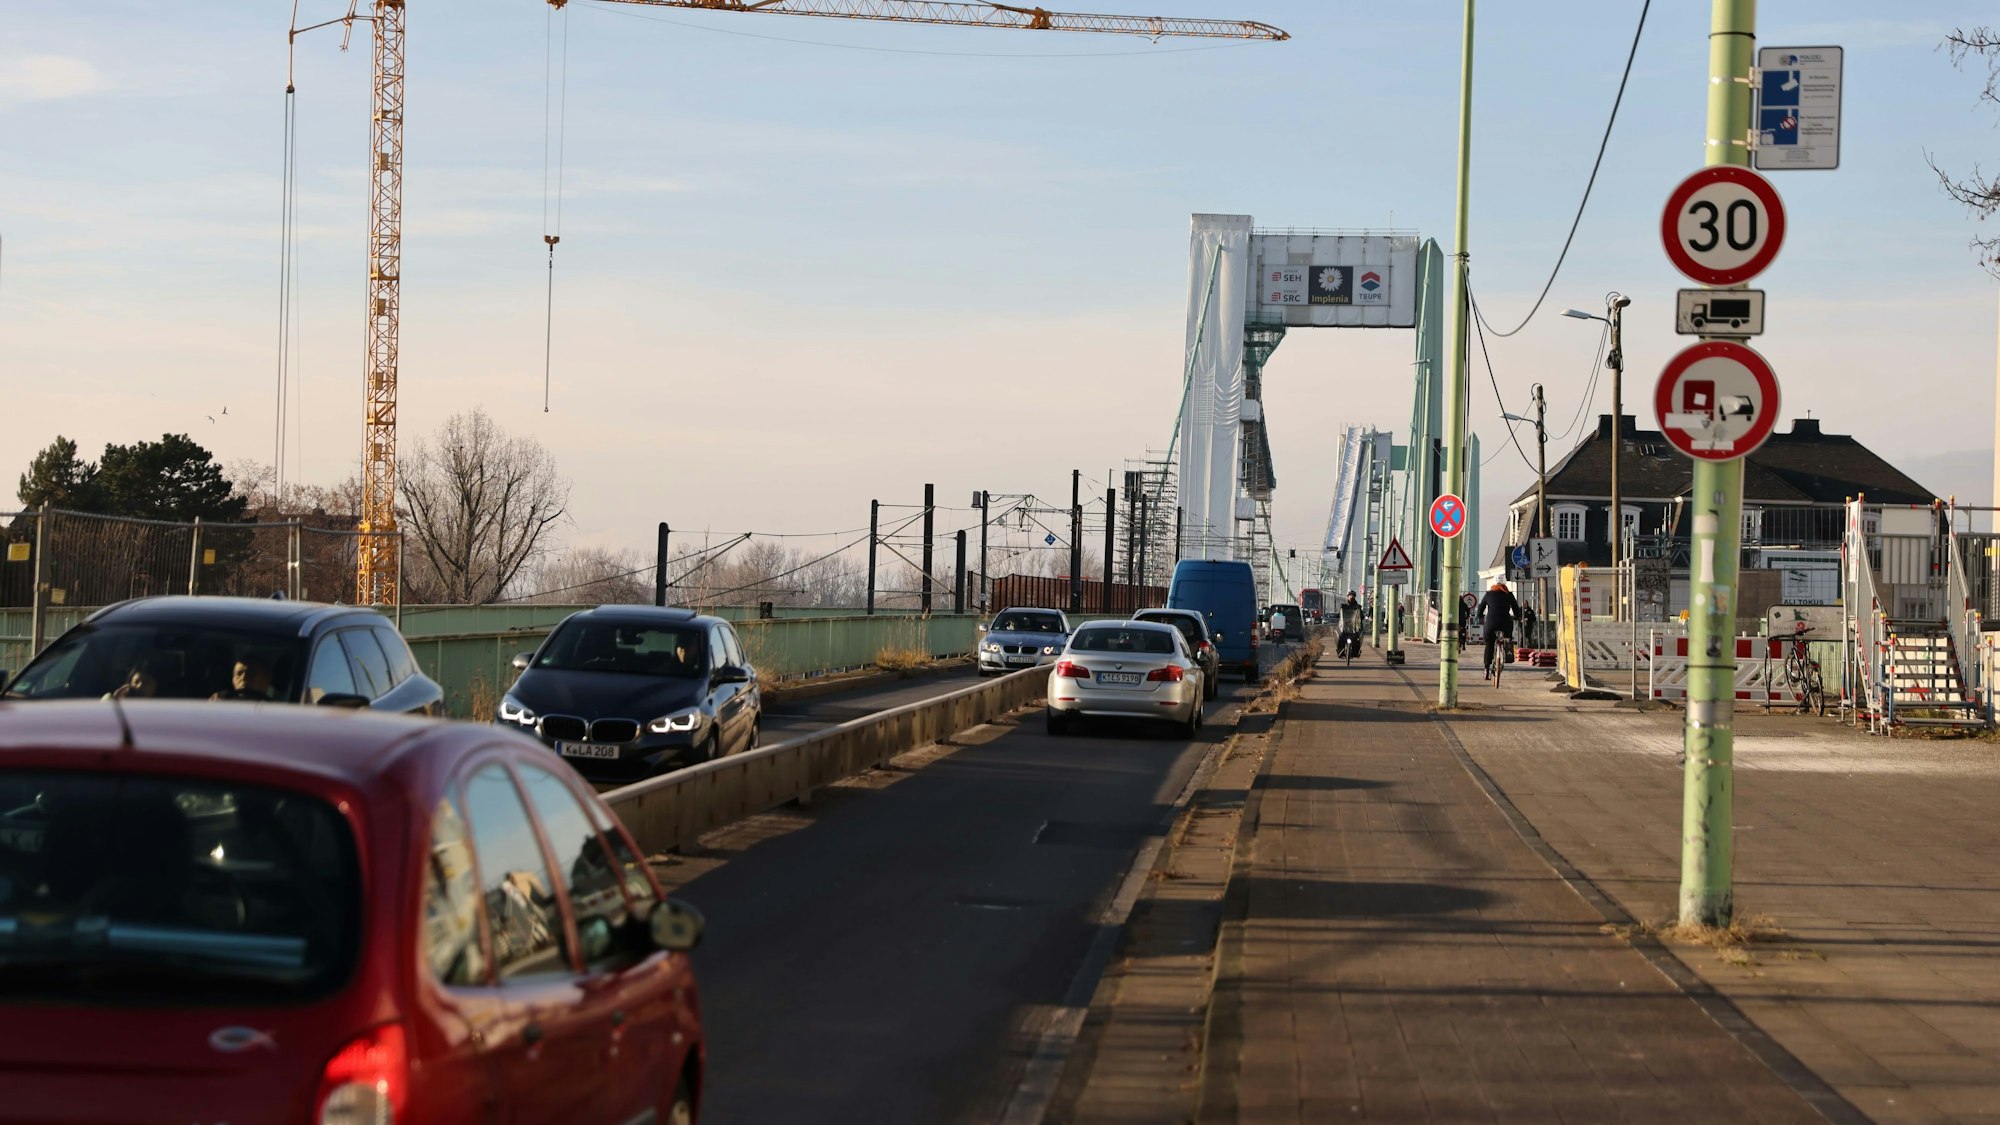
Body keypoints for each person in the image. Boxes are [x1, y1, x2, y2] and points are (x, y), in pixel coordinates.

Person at [1473, 581, 1523, 679]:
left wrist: (1479, 615)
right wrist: (1517, 616)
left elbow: (1481, 606)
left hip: (1491, 622)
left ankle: (1486, 669)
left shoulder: (1489, 594)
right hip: (1505, 623)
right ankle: (1506, 646)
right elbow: (1516, 608)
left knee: (1489, 644)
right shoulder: (1509, 594)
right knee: (1507, 636)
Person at [211, 657, 276, 702]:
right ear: (232, 679)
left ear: (266, 679)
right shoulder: (220, 700)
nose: (243, 678)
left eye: (251, 673)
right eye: (238, 674)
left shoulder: (278, 709)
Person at [1336, 591, 1364, 659]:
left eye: (1352, 596)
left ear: (1354, 597)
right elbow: (1340, 614)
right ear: (1347, 597)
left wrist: (1361, 616)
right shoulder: (1344, 606)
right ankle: (1340, 652)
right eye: (1350, 596)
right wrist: (1338, 615)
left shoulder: (1357, 607)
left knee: (1357, 639)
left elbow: (1361, 616)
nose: (1351, 597)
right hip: (1345, 626)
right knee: (1340, 638)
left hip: (1354, 627)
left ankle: (1356, 653)